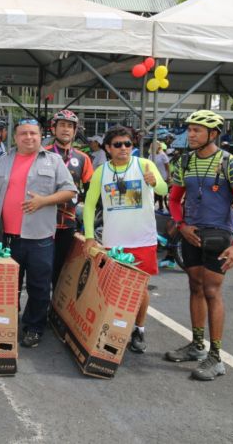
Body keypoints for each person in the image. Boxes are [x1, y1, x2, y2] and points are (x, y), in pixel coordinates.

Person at [166, 110, 233, 381]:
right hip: (191, 233)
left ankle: (216, 357)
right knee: (195, 286)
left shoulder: (230, 164)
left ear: (213, 134)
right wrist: (181, 225)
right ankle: (197, 345)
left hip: (219, 235)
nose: (190, 135)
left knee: (212, 291)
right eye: (189, 129)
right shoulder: (185, 161)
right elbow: (174, 199)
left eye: (196, 130)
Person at [0, 118, 76, 348]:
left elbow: (70, 190)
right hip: (7, 237)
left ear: (41, 135)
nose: (28, 137)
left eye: (33, 133)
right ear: (15, 137)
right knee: (9, 286)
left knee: (39, 286)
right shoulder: (5, 160)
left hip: (40, 238)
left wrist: (44, 201)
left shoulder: (54, 161)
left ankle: (34, 327)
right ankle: (8, 323)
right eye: (23, 133)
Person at [83, 126, 168, 354]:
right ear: (108, 148)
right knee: (112, 289)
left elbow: (163, 189)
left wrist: (154, 182)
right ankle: (111, 328)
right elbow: (89, 205)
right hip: (114, 242)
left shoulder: (145, 165)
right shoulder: (101, 172)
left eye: (128, 144)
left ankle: (139, 329)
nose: (123, 148)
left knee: (140, 289)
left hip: (143, 240)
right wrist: (89, 236)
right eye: (118, 144)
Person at [44, 109, 93, 289]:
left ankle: (56, 305)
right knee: (41, 269)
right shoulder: (42, 153)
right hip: (43, 222)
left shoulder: (83, 158)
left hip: (68, 223)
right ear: (53, 128)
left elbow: (90, 191)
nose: (66, 129)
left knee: (61, 270)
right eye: (62, 125)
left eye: (70, 126)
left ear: (75, 131)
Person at [150, 139, 171, 211]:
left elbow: (167, 166)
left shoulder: (162, 155)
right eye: (153, 145)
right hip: (154, 176)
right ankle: (160, 206)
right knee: (156, 191)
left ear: (159, 146)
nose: (154, 147)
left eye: (156, 145)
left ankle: (155, 206)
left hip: (162, 176)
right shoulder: (151, 155)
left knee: (158, 191)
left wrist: (169, 176)